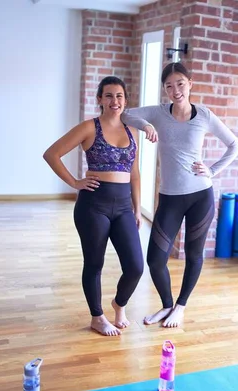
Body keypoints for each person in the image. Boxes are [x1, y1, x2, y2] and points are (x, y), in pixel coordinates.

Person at [121, 62, 238, 328]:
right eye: (169, 86)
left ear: (190, 83)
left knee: (193, 254)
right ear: (165, 89)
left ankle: (181, 306)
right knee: (155, 260)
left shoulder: (205, 115)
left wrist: (211, 170)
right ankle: (166, 305)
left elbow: (235, 145)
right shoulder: (159, 113)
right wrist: (146, 126)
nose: (175, 90)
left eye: (180, 84)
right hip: (170, 199)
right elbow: (125, 114)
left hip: (200, 195)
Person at [43, 76, 155, 336]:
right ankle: (97, 316)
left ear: (125, 100)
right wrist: (75, 182)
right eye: (108, 96)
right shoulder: (89, 127)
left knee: (136, 266)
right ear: (100, 100)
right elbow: (52, 154)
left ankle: (119, 304)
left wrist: (137, 209)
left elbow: (135, 174)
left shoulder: (132, 130)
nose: (114, 101)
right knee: (94, 263)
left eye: (119, 96)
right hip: (93, 205)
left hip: (124, 206)